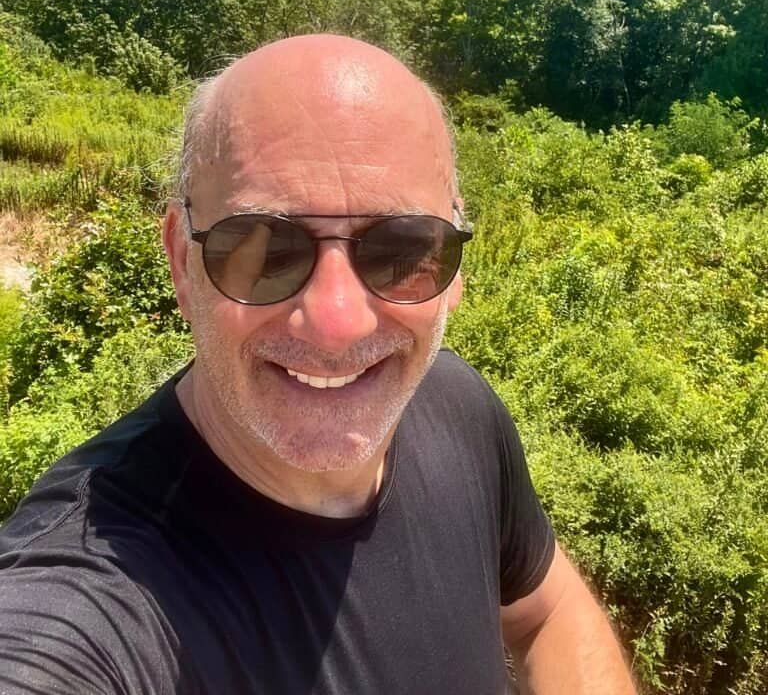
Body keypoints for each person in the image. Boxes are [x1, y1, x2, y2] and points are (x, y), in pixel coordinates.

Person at [0, 35, 637, 694]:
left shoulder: (457, 407)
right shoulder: (96, 587)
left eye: (401, 249)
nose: (338, 321)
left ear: (454, 272)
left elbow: (546, 612)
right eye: (267, 248)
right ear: (181, 262)